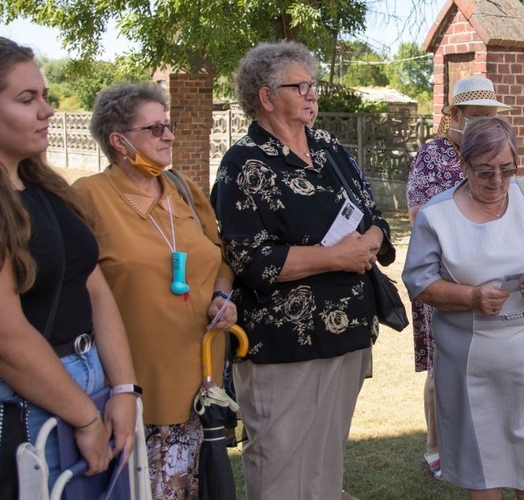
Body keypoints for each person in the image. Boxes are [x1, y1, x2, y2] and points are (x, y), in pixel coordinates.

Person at [0, 36, 138, 487]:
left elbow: (93, 286)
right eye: (27, 99)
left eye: (43, 95)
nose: (48, 110)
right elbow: (0, 336)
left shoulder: (42, 187)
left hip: (80, 386)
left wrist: (122, 389)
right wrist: (84, 418)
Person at [210, 40, 395, 500]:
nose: (313, 94)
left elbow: (375, 216)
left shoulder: (329, 146)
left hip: (348, 332)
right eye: (301, 86)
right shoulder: (243, 164)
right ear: (267, 97)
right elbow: (247, 259)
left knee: (324, 459)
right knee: (280, 462)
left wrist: (368, 242)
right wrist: (336, 257)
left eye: (313, 84)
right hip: (285, 344)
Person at [403, 117, 524, 499]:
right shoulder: (437, 216)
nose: (498, 181)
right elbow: (418, 282)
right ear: (464, 166)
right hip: (474, 370)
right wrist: (471, 297)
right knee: (483, 464)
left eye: (506, 169)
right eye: (485, 171)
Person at [74, 82, 237, 499]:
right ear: (120, 142)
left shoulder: (182, 190)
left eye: (169, 126)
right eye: (155, 128)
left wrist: (222, 296)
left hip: (200, 387)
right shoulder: (88, 197)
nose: (169, 135)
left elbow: (221, 258)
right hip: (133, 393)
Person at [407, 76, 511, 479]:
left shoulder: (496, 152)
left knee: (486, 360)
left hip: (491, 274)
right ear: (455, 115)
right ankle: (436, 445)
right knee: (443, 364)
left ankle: (484, 438)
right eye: (478, 115)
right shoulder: (433, 154)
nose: (486, 122)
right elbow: (419, 215)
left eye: (491, 116)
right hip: (445, 278)